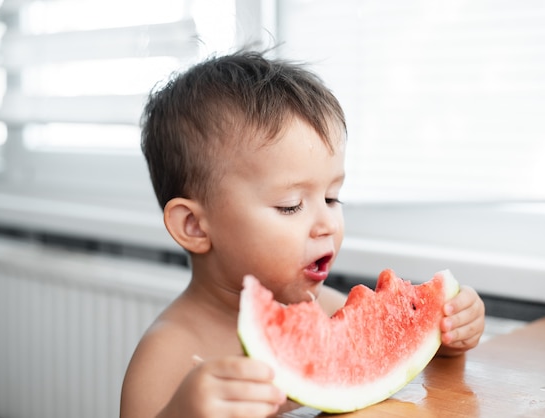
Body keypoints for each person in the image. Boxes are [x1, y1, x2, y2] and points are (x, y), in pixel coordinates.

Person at [120, 50, 486, 418]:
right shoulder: (167, 351)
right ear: (194, 226)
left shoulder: (325, 308)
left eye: (331, 197)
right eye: (291, 205)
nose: (327, 223)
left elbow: (397, 356)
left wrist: (447, 334)